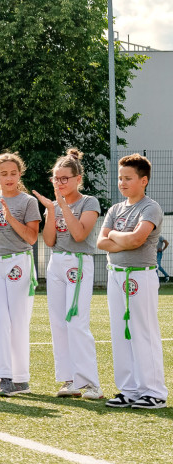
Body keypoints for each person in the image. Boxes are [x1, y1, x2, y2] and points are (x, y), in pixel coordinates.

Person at [32, 149, 104, 399]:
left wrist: (62, 206)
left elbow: (79, 234)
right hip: (57, 263)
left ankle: (91, 383)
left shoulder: (88, 202)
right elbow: (50, 240)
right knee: (58, 324)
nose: (59, 183)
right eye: (55, 178)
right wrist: (52, 211)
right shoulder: (53, 205)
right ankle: (69, 380)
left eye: (64, 178)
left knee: (77, 322)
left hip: (78, 263)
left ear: (77, 179)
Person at [97, 153, 167, 410]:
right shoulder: (115, 209)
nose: (122, 183)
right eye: (120, 178)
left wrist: (115, 235)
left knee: (143, 332)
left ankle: (154, 392)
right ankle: (129, 390)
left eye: (128, 178)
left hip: (140, 275)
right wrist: (119, 238)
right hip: (115, 274)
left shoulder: (150, 208)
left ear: (143, 180)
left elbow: (137, 239)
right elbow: (100, 242)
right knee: (120, 332)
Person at [0, 152, 41, 397]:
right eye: (4, 174)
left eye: (13, 173)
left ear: (19, 175)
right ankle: (4, 377)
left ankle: (21, 379)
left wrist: (10, 218)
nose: (9, 178)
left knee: (18, 321)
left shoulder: (27, 202)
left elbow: (32, 237)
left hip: (18, 263)